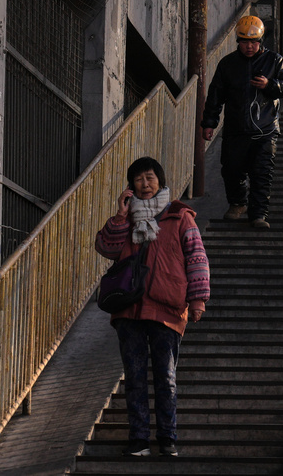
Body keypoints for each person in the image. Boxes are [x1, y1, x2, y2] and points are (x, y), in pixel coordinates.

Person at [95, 156, 210, 458]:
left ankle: (167, 438)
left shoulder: (179, 216)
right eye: (138, 180)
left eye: (150, 178)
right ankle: (139, 439)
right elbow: (107, 248)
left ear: (160, 181)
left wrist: (197, 300)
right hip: (129, 309)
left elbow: (197, 259)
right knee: (134, 377)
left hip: (167, 308)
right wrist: (120, 217)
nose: (144, 185)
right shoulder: (127, 218)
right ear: (130, 185)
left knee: (165, 378)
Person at [201, 15, 283, 229]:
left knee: (262, 174)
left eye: (253, 42)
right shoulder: (227, 64)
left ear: (261, 41)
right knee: (231, 170)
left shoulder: (275, 61)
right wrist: (209, 123)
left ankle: (258, 214)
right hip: (235, 129)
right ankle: (237, 204)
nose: (249, 46)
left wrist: (269, 85)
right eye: (244, 42)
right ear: (238, 42)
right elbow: (215, 95)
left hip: (266, 129)